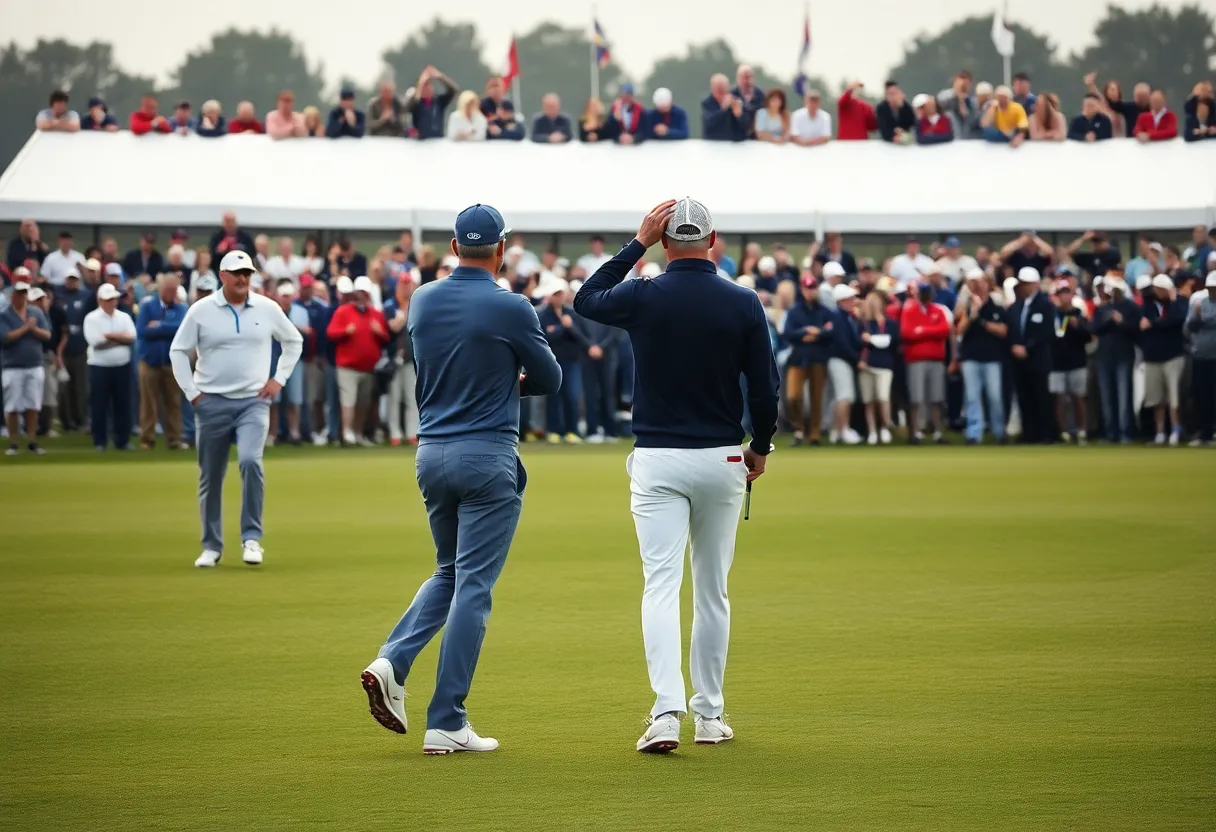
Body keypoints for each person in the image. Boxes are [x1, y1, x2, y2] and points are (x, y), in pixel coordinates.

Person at [574, 198, 780, 753]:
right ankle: (709, 716)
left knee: (661, 587)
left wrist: (634, 243)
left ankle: (667, 713)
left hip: (659, 458)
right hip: (722, 458)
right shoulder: (742, 301)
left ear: (666, 243)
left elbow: (586, 297)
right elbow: (763, 387)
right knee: (713, 591)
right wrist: (760, 445)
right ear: (713, 241)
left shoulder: (643, 293)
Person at [359, 204, 561, 755]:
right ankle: (446, 719)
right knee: (473, 585)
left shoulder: (422, 297)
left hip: (433, 454)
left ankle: (391, 661)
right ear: (501, 249)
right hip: (487, 453)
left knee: (448, 572)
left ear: (453, 247)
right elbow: (550, 377)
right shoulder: (513, 306)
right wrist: (507, 382)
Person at [168, 250, 303, 568]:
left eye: (247, 273)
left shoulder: (267, 308)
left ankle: (251, 539)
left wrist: (278, 380)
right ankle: (211, 545)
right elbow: (178, 350)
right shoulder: (202, 310)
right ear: (223, 275)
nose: (243, 278)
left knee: (249, 462)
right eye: (237, 272)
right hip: (211, 402)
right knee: (211, 476)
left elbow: (292, 341)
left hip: (253, 402)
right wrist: (192, 393)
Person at [955, 269, 1008, 445]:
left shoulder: (996, 306)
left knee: (994, 396)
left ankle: (999, 432)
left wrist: (983, 323)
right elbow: (959, 330)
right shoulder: (967, 307)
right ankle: (974, 433)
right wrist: (972, 316)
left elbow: (1003, 330)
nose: (979, 286)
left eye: (982, 282)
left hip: (992, 358)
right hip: (971, 357)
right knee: (972, 396)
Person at [135, 273, 187, 450]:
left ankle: (174, 439)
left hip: (172, 363)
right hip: (149, 361)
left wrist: (159, 326)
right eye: (169, 290)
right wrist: (167, 327)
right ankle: (147, 439)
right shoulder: (147, 306)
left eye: (175, 290)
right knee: (148, 402)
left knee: (173, 402)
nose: (173, 294)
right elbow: (142, 331)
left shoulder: (181, 308)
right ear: (161, 289)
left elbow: (182, 329)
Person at [0, 280, 52, 455]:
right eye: (19, 293)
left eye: (24, 293)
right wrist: (26, 328)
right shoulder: (4, 315)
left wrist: (33, 329)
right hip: (12, 366)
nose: (22, 296)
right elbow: (5, 337)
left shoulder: (35, 312)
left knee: (32, 405)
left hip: (34, 365)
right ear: (12, 295)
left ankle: (32, 441)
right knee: (12, 406)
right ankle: (13, 442)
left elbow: (47, 334)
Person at [780, 274, 832, 445]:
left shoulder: (824, 311)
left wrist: (817, 333)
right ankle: (799, 429)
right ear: (802, 290)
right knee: (793, 396)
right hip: (799, 358)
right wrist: (806, 332)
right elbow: (788, 333)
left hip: (818, 357)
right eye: (807, 288)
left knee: (817, 398)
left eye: (813, 288)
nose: (810, 291)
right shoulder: (794, 311)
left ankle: (814, 433)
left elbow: (831, 331)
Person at [82, 282, 135, 451]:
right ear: (100, 300)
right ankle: (100, 441)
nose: (112, 302)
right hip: (99, 367)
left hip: (121, 366)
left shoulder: (124, 317)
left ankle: (122, 440)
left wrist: (110, 336)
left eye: (113, 299)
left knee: (122, 404)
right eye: (108, 299)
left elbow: (131, 337)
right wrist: (120, 339)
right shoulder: (91, 318)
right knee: (99, 404)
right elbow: (96, 342)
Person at [1007, 267, 1056, 444]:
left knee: (1041, 397)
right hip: (1019, 362)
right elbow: (1012, 330)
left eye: (1027, 284)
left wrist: (1027, 348)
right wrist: (1014, 346)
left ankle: (1045, 434)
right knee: (1024, 398)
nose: (1024, 287)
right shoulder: (1015, 307)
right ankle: (1029, 433)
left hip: (1038, 359)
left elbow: (1047, 332)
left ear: (1035, 284)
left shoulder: (1046, 305)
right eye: (1022, 284)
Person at [899, 281, 951, 443]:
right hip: (916, 359)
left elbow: (944, 330)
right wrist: (931, 332)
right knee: (916, 398)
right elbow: (907, 333)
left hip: (935, 359)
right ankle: (915, 433)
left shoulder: (937, 310)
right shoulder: (909, 311)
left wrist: (922, 330)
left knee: (937, 398)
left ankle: (938, 432)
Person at [1139, 274, 1187, 445]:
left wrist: (1156, 323)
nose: (1156, 292)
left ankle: (1175, 429)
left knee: (1174, 397)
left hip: (1173, 356)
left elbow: (1178, 320)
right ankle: (1160, 432)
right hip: (1152, 357)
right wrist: (1159, 323)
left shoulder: (1178, 303)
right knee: (1156, 398)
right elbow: (1145, 324)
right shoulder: (1148, 305)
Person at [538, 282, 588, 442]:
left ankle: (572, 430)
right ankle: (554, 431)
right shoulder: (543, 314)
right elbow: (545, 337)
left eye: (561, 294)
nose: (559, 298)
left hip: (571, 360)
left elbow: (582, 338)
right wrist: (562, 327)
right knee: (554, 396)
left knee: (572, 395)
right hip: (552, 361)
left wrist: (569, 327)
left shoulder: (572, 313)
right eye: (556, 295)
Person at [1091, 277, 1140, 443]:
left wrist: (1121, 322)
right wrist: (1108, 320)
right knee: (1106, 397)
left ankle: (1125, 432)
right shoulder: (1102, 309)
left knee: (1123, 397)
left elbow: (1136, 332)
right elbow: (1094, 329)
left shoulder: (1131, 307)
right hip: (1104, 356)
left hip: (1123, 356)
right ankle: (1110, 433)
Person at [1048, 281, 1091, 444]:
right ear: (1057, 296)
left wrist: (1078, 326)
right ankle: (1064, 432)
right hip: (1057, 362)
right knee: (1059, 399)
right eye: (1062, 293)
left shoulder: (1079, 314)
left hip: (1077, 362)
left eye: (1067, 293)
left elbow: (1088, 337)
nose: (1065, 296)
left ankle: (1081, 431)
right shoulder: (1053, 314)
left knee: (1078, 397)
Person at [858, 292, 899, 444]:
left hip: (885, 365)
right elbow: (859, 342)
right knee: (869, 400)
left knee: (883, 397)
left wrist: (871, 339)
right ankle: (872, 431)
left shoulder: (891, 324)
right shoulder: (864, 324)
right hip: (867, 365)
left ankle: (885, 427)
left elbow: (887, 342)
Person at [381, 276, 418, 446]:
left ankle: (412, 432)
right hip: (393, 358)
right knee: (394, 397)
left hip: (411, 358)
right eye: (403, 285)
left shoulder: (416, 304)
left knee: (411, 397)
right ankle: (395, 432)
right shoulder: (390, 305)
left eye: (408, 284)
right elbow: (392, 327)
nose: (406, 288)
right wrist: (403, 316)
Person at [825, 284, 863, 444]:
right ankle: (843, 429)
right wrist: (857, 359)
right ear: (842, 301)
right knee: (845, 396)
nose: (853, 300)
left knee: (840, 396)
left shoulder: (846, 316)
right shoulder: (838, 317)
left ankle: (836, 430)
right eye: (850, 298)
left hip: (842, 360)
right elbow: (842, 343)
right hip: (840, 360)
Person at [1186, 273, 1216, 445]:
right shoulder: (1199, 303)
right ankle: (1204, 433)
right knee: (1202, 397)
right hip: (1201, 356)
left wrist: (1205, 320)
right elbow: (1190, 326)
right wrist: (1198, 318)